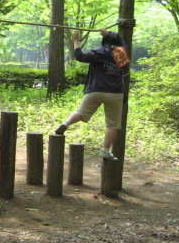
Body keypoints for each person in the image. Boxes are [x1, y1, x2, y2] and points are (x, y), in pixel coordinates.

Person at [54, 28, 128, 159]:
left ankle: (66, 123)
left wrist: (75, 40)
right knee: (113, 124)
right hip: (115, 93)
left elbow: (79, 56)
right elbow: (121, 42)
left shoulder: (98, 53)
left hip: (95, 90)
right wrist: (107, 33)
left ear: (103, 41)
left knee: (81, 113)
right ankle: (105, 150)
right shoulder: (121, 53)